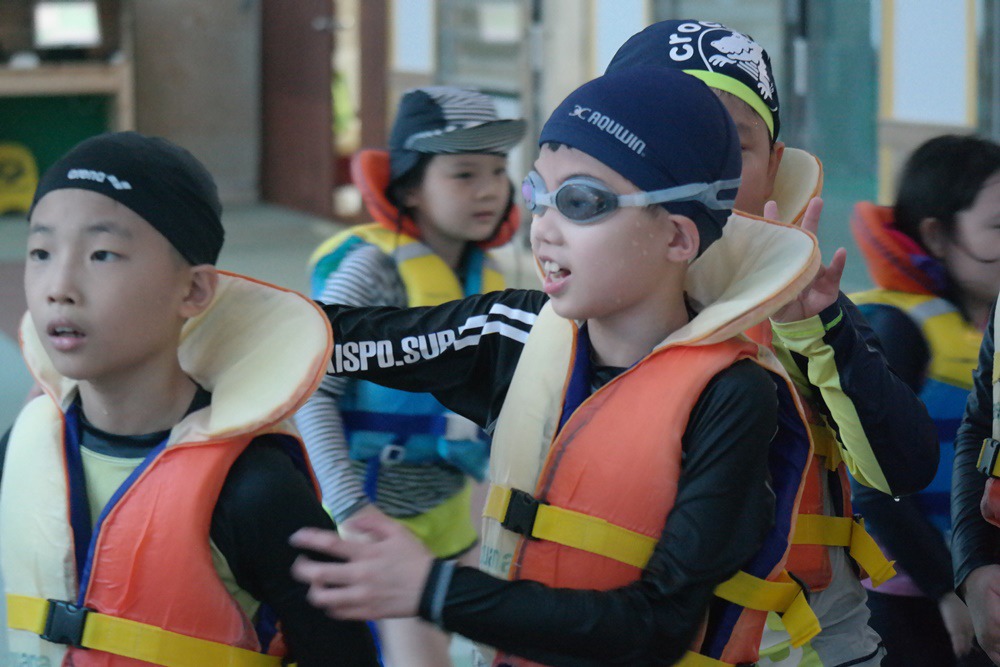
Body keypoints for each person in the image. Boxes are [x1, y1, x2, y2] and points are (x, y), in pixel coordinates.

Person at [290, 66, 827, 666]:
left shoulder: (730, 397)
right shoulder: (514, 334)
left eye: (580, 202)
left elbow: (656, 625)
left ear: (678, 237)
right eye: (536, 196)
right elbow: (329, 337)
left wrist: (433, 590)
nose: (542, 228)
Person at [605, 19, 940, 667]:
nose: (701, 166)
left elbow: (903, 467)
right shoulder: (568, 313)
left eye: (733, 144)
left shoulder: (809, 306)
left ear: (774, 169)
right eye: (665, 138)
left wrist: (814, 327)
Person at [0, 131, 379, 667]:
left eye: (102, 254)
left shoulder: (257, 489)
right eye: (41, 252)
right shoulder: (24, 447)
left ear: (194, 290)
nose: (58, 286)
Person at [296, 85, 525, 667]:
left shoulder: (487, 277)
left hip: (449, 514)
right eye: (464, 174)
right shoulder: (371, 273)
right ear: (408, 188)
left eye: (498, 172)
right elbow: (310, 389)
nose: (488, 190)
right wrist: (350, 508)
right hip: (371, 514)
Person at [848, 135, 1000, 666]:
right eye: (998, 226)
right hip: (911, 608)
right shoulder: (898, 331)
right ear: (937, 235)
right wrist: (944, 588)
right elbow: (870, 485)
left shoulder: (990, 333)